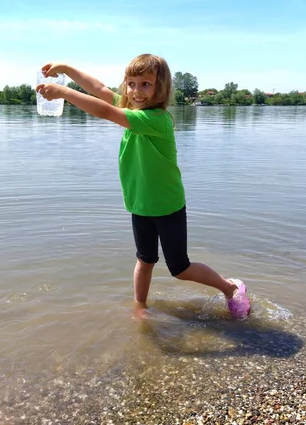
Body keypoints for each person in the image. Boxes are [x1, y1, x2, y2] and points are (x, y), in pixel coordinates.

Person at [36, 54, 251, 320]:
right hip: (140, 204)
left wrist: (63, 92)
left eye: (146, 84)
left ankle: (230, 287)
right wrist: (67, 69)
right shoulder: (133, 111)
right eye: (132, 83)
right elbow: (99, 89)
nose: (137, 91)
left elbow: (104, 110)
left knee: (180, 268)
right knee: (145, 260)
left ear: (160, 88)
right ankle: (140, 307)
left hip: (166, 205)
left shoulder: (156, 119)